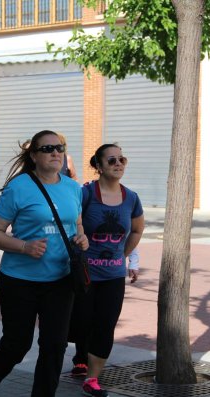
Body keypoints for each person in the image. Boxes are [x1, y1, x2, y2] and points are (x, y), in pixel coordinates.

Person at [0, 130, 89, 397]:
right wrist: (24, 246)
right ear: (34, 156)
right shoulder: (19, 187)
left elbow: (76, 223)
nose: (56, 153)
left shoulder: (72, 187)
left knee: (55, 345)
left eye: (59, 147)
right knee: (17, 343)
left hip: (60, 281)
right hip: (19, 281)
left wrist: (82, 238)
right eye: (48, 149)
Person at [68, 143, 144, 397]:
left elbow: (136, 229)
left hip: (113, 276)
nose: (118, 164)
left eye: (122, 159)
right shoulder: (86, 194)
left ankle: (92, 378)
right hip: (85, 275)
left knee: (105, 325)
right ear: (98, 166)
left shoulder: (131, 198)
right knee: (81, 322)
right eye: (111, 160)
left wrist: (123, 256)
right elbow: (73, 222)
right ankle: (80, 359)